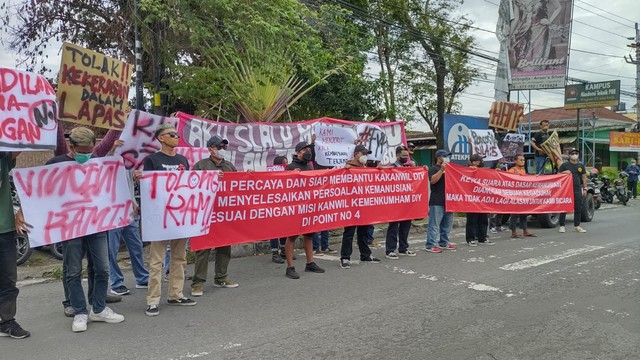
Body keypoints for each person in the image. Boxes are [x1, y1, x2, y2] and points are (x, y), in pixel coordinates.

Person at [47, 127, 125, 332]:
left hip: (97, 224)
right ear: (71, 146)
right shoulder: (55, 164)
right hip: (70, 227)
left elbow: (112, 186)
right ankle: (80, 311)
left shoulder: (98, 161)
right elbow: (42, 194)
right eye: (82, 151)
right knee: (73, 271)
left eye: (89, 150)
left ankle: (98, 308)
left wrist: (126, 201)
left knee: (102, 268)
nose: (86, 155)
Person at [141, 124, 196, 316]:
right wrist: (140, 177)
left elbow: (190, 185)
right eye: (172, 134)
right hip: (160, 217)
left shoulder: (182, 160)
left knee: (179, 257)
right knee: (157, 260)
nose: (176, 137)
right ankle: (153, 300)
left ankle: (175, 294)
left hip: (180, 215)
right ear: (161, 138)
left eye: (177, 134)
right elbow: (148, 187)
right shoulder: (152, 160)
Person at [190, 136, 239, 297]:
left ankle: (221, 277)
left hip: (224, 214)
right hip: (206, 213)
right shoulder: (201, 165)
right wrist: (210, 177)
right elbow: (192, 184)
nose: (222, 149)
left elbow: (239, 185)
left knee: (225, 245)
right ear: (210, 149)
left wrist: (249, 175)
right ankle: (198, 283)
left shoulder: (229, 166)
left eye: (224, 147)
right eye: (219, 146)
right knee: (203, 248)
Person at [107, 141, 149, 296]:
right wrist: (111, 148)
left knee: (136, 245)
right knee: (112, 248)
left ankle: (142, 277)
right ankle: (116, 282)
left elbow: (131, 184)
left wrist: (134, 201)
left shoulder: (129, 163)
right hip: (111, 211)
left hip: (128, 209)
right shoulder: (105, 159)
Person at [282, 141, 325, 279]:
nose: (308, 152)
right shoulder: (290, 167)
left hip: (309, 207)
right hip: (295, 208)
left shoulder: (309, 166)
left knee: (309, 235)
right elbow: (283, 187)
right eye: (305, 149)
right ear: (298, 152)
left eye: (309, 149)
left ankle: (310, 262)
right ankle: (290, 267)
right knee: (292, 236)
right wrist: (291, 175)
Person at [0, 151, 30, 339]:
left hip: (4, 229)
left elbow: (21, 140)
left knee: (9, 280)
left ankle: (7, 320)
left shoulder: (3, 159)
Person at [339, 145, 382, 269]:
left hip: (363, 204)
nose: (365, 156)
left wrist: (378, 172)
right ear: (357, 154)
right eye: (363, 153)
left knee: (364, 231)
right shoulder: (347, 167)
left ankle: (365, 254)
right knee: (349, 232)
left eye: (367, 154)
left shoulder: (366, 169)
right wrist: (345, 170)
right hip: (351, 205)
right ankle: (345, 257)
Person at [385, 146, 417, 258]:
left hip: (406, 202)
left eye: (407, 156)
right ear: (397, 155)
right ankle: (390, 250)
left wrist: (417, 168)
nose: (405, 157)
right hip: (395, 202)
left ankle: (403, 248)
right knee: (393, 226)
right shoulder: (391, 168)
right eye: (403, 156)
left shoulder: (408, 167)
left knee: (406, 226)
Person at [424, 149, 457, 253]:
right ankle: (431, 244)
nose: (448, 158)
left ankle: (444, 242)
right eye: (446, 156)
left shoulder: (450, 169)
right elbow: (433, 180)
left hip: (449, 201)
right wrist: (441, 170)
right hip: (437, 201)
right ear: (439, 158)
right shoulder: (434, 169)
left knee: (447, 225)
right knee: (434, 225)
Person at [465, 154, 492, 246]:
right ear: (474, 161)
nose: (482, 162)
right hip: (472, 198)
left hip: (482, 198)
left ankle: (482, 237)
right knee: (472, 220)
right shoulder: (467, 170)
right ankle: (470, 238)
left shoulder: (483, 171)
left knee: (483, 219)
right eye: (480, 160)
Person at [558, 148, 588, 233]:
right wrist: (564, 172)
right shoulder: (564, 165)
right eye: (572, 153)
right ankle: (562, 225)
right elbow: (558, 174)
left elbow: (584, 177)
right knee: (564, 207)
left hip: (577, 189)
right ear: (569, 155)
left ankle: (577, 225)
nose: (574, 155)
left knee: (578, 207)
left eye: (576, 153)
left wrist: (585, 188)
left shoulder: (581, 165)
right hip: (566, 189)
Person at [507, 154, 537, 238]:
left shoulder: (523, 170)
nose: (522, 161)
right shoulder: (512, 171)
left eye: (523, 160)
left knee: (524, 213)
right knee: (515, 214)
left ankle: (525, 230)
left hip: (523, 195)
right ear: (515, 161)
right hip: (515, 196)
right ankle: (513, 231)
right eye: (520, 160)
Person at [269, 156, 288, 263]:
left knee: (284, 230)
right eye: (283, 163)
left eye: (287, 163)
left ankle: (284, 251)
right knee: (274, 231)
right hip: (274, 207)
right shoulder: (271, 176)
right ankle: (275, 253)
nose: (286, 165)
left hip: (284, 206)